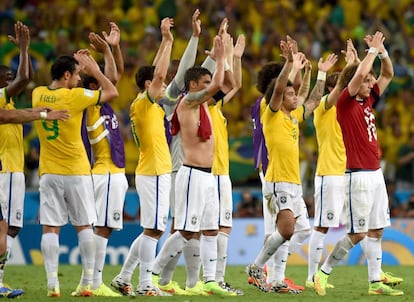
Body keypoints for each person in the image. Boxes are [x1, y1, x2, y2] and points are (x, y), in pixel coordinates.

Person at [313, 31, 404, 296]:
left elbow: (388, 75)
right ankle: (323, 272)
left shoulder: (368, 101)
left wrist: (383, 52)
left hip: (376, 173)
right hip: (357, 175)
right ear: (356, 82)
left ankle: (375, 282)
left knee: (376, 230)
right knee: (357, 233)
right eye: (367, 79)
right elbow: (357, 77)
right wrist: (370, 53)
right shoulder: (346, 103)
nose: (372, 82)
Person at [246, 37, 337, 293]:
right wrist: (289, 62)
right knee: (285, 230)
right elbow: (279, 90)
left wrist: (318, 74)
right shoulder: (272, 113)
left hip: (294, 183)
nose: (294, 94)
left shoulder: (293, 115)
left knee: (301, 230)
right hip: (278, 180)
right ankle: (257, 266)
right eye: (289, 92)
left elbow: (313, 98)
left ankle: (276, 280)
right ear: (279, 95)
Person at [147, 35, 235, 297]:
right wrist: (219, 60)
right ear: (193, 84)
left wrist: (228, 57)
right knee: (186, 230)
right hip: (191, 173)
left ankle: (209, 281)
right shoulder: (186, 102)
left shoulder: (204, 104)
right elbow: (218, 82)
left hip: (208, 176)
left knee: (210, 229)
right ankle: (151, 274)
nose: (210, 87)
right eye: (204, 82)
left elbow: (227, 84)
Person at [32, 49, 119, 297]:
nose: (80, 80)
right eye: (78, 75)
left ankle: (52, 285)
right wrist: (95, 71)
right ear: (67, 75)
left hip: (49, 171)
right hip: (77, 172)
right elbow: (113, 92)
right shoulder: (76, 97)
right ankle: (90, 282)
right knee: (84, 227)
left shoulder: (37, 93)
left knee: (50, 228)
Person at [0, 21, 69, 299]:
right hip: (3, 170)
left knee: (13, 227)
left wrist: (25, 50)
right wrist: (40, 114)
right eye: (5, 77)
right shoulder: (1, 102)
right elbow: (19, 89)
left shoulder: (8, 100)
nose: (10, 79)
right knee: (3, 227)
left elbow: (24, 78)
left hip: (14, 171)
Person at [249, 39, 312, 292]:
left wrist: (304, 69)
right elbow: (283, 90)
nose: (291, 87)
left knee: (293, 230)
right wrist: (291, 62)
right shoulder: (268, 105)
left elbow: (303, 96)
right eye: (285, 83)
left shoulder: (287, 110)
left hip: (284, 175)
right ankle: (265, 271)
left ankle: (274, 275)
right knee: (280, 229)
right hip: (273, 173)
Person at [124, 17, 174, 297]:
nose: (164, 85)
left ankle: (123, 277)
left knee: (151, 230)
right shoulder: (144, 103)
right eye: (159, 83)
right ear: (148, 84)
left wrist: (164, 44)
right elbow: (158, 76)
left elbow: (156, 73)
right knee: (153, 229)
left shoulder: (145, 105)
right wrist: (167, 40)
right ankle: (145, 285)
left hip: (154, 169)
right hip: (153, 171)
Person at [81, 23, 126, 297]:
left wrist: (112, 49)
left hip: (104, 172)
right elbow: (112, 81)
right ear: (95, 86)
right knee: (104, 227)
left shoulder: (100, 104)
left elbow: (115, 76)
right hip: (106, 172)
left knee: (98, 226)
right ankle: (94, 283)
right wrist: (102, 60)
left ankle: (87, 282)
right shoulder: (89, 104)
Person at [208, 30, 245, 295]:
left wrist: (235, 58)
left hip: (222, 173)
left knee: (223, 227)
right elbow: (227, 86)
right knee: (202, 229)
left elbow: (236, 86)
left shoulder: (215, 108)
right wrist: (225, 59)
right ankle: (212, 279)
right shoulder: (201, 104)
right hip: (209, 173)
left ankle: (217, 279)